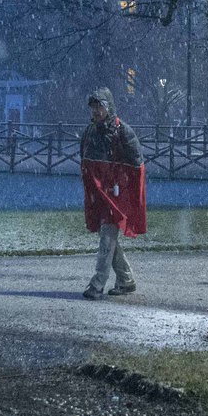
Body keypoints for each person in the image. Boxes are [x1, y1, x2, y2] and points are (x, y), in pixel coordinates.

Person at [79, 87, 146, 300]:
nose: (96, 111)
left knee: (107, 239)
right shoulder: (90, 132)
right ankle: (126, 279)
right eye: (93, 107)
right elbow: (85, 161)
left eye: (100, 106)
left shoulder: (122, 131)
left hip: (116, 196)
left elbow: (136, 165)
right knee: (108, 238)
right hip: (99, 195)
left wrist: (122, 187)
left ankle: (97, 284)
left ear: (108, 107)